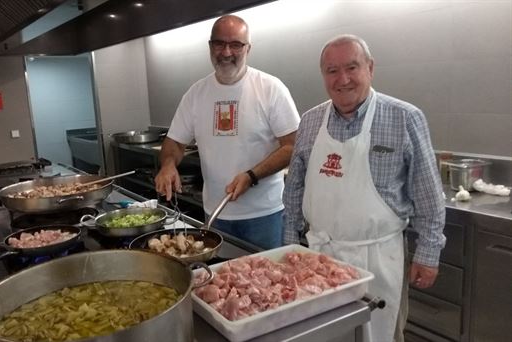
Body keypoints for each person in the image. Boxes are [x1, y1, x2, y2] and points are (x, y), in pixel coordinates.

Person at [282, 34, 446, 342]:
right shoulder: (310, 121)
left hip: (379, 259)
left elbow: (428, 194)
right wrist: (291, 246)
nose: (342, 79)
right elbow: (294, 191)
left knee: (380, 335)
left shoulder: (404, 117)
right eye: (332, 71)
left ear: (370, 68)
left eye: (352, 67)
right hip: (319, 257)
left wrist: (428, 252)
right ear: (323, 75)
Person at [154, 15, 300, 250]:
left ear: (248, 48)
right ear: (210, 46)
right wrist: (168, 165)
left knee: (266, 283)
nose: (226, 52)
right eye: (219, 43)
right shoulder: (196, 94)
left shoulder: (270, 88)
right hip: (215, 214)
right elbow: (174, 143)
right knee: (221, 282)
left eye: (235, 45)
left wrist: (251, 176)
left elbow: (293, 145)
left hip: (264, 215)